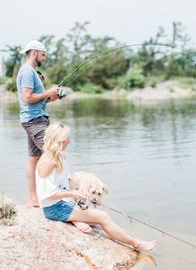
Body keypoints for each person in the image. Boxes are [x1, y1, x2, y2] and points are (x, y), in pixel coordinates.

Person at [36, 122, 156, 252]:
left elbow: (65, 182)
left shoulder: (59, 156)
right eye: (67, 139)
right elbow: (47, 195)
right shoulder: (47, 162)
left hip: (63, 203)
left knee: (94, 219)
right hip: (53, 208)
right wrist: (72, 194)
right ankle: (136, 243)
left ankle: (75, 219)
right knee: (103, 217)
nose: (69, 142)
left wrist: (80, 189)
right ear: (58, 140)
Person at [16, 40, 59, 207]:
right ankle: (55, 198)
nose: (44, 58)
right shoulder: (27, 72)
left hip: (33, 118)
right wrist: (48, 92)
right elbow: (27, 98)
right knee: (53, 154)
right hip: (35, 121)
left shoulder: (30, 71)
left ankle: (33, 199)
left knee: (34, 159)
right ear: (34, 53)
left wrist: (51, 97)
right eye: (43, 55)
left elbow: (34, 100)